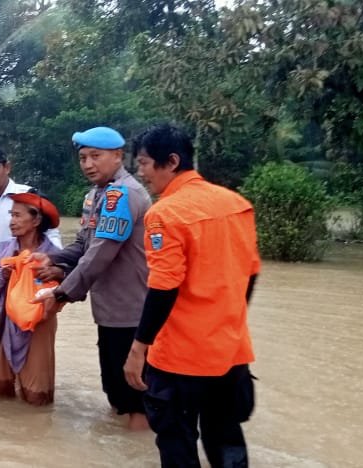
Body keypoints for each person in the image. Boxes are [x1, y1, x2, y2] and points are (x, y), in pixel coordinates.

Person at [123, 124, 260, 466]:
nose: (142, 173)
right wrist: (228, 319)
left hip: (180, 359)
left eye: (144, 163)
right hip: (230, 351)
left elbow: (164, 286)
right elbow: (251, 273)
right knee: (227, 442)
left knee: (177, 445)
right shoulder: (237, 204)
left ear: (171, 162)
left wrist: (139, 348)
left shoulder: (165, 214)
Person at [32, 126, 152, 430]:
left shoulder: (123, 196)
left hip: (132, 314)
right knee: (115, 393)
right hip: (110, 314)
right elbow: (83, 245)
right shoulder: (96, 196)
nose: (87, 164)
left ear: (117, 156)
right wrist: (52, 258)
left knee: (135, 400)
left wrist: (61, 293)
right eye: (83, 157)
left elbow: (100, 255)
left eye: (95, 156)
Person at [0, 191, 61, 405]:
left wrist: (49, 278)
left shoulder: (53, 254)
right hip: (3, 319)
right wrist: (3, 276)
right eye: (11, 215)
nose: (12, 221)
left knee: (37, 395)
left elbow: (63, 292)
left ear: (36, 220)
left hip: (38, 323)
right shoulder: (4, 250)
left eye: (17, 215)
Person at [0, 146, 62, 324]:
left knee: (33, 340)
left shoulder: (27, 195)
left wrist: (53, 264)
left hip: (29, 282)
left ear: (7, 167)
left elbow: (51, 234)